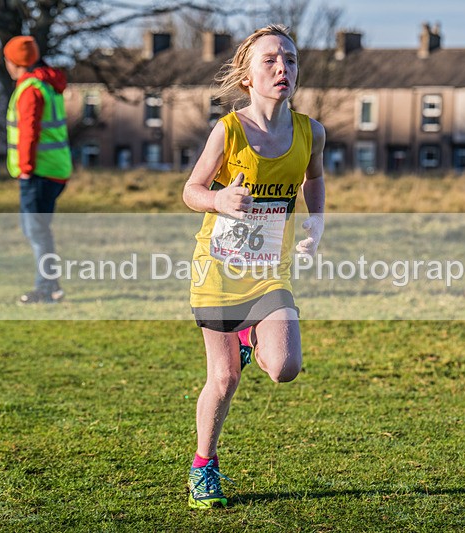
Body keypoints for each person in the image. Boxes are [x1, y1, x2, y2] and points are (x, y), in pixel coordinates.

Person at [182, 24, 326, 509]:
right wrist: (219, 199)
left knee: (285, 367)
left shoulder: (310, 131)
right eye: (270, 59)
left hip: (270, 269)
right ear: (247, 75)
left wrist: (317, 223)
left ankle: (252, 339)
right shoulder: (229, 130)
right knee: (223, 380)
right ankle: (205, 465)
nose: (282, 67)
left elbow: (315, 177)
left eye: (290, 58)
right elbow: (190, 191)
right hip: (219, 269)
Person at [3, 35, 72, 304]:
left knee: (36, 230)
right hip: (54, 168)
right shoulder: (46, 84)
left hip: (39, 171)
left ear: (13, 62)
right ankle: (49, 286)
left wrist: (26, 168)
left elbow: (28, 131)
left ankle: (47, 288)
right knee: (36, 228)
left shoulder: (31, 88)